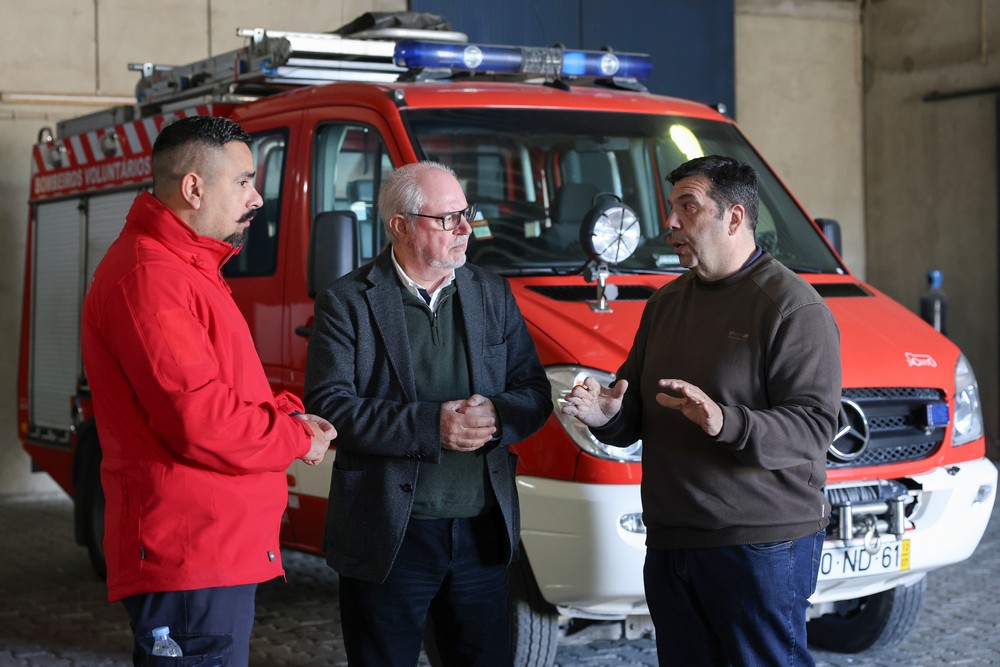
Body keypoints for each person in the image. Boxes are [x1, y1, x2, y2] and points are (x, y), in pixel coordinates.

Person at [562, 155, 841, 666]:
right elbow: (637, 411)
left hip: (760, 547)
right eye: (671, 208)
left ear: (734, 218)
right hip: (672, 542)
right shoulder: (665, 305)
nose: (670, 223)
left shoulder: (793, 309)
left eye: (687, 207)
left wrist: (725, 421)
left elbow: (813, 428)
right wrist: (607, 417)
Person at [81, 115, 336, 666]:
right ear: (194, 188)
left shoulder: (188, 267)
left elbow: (224, 388)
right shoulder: (152, 277)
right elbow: (200, 420)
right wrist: (292, 441)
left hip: (210, 546)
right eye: (244, 181)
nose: (258, 198)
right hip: (189, 552)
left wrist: (289, 416)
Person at [304, 161, 552, 666]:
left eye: (466, 214)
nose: (465, 229)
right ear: (400, 225)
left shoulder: (491, 293)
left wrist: (499, 417)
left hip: (480, 532)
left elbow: (533, 390)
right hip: (390, 534)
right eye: (447, 219)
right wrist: (431, 426)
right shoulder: (347, 302)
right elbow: (329, 406)